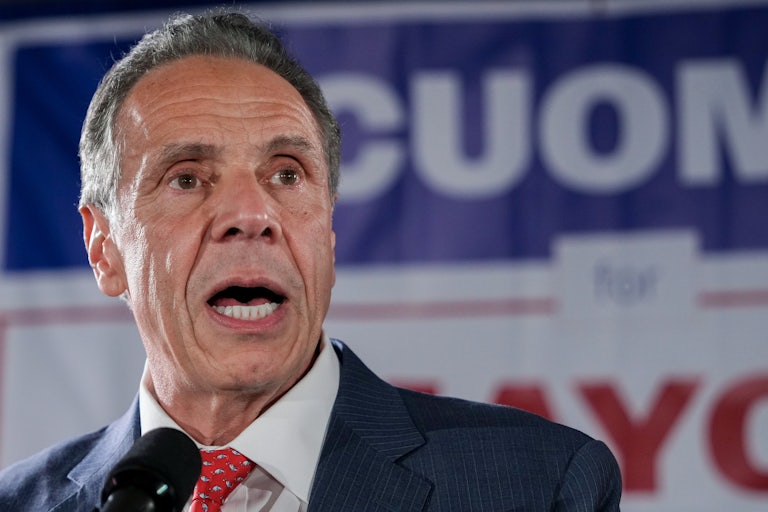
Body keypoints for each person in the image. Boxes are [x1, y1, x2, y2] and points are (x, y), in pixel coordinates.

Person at [0, 9, 622, 511]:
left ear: (327, 230)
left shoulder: (538, 486)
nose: (252, 213)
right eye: (188, 178)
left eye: (286, 174)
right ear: (103, 247)